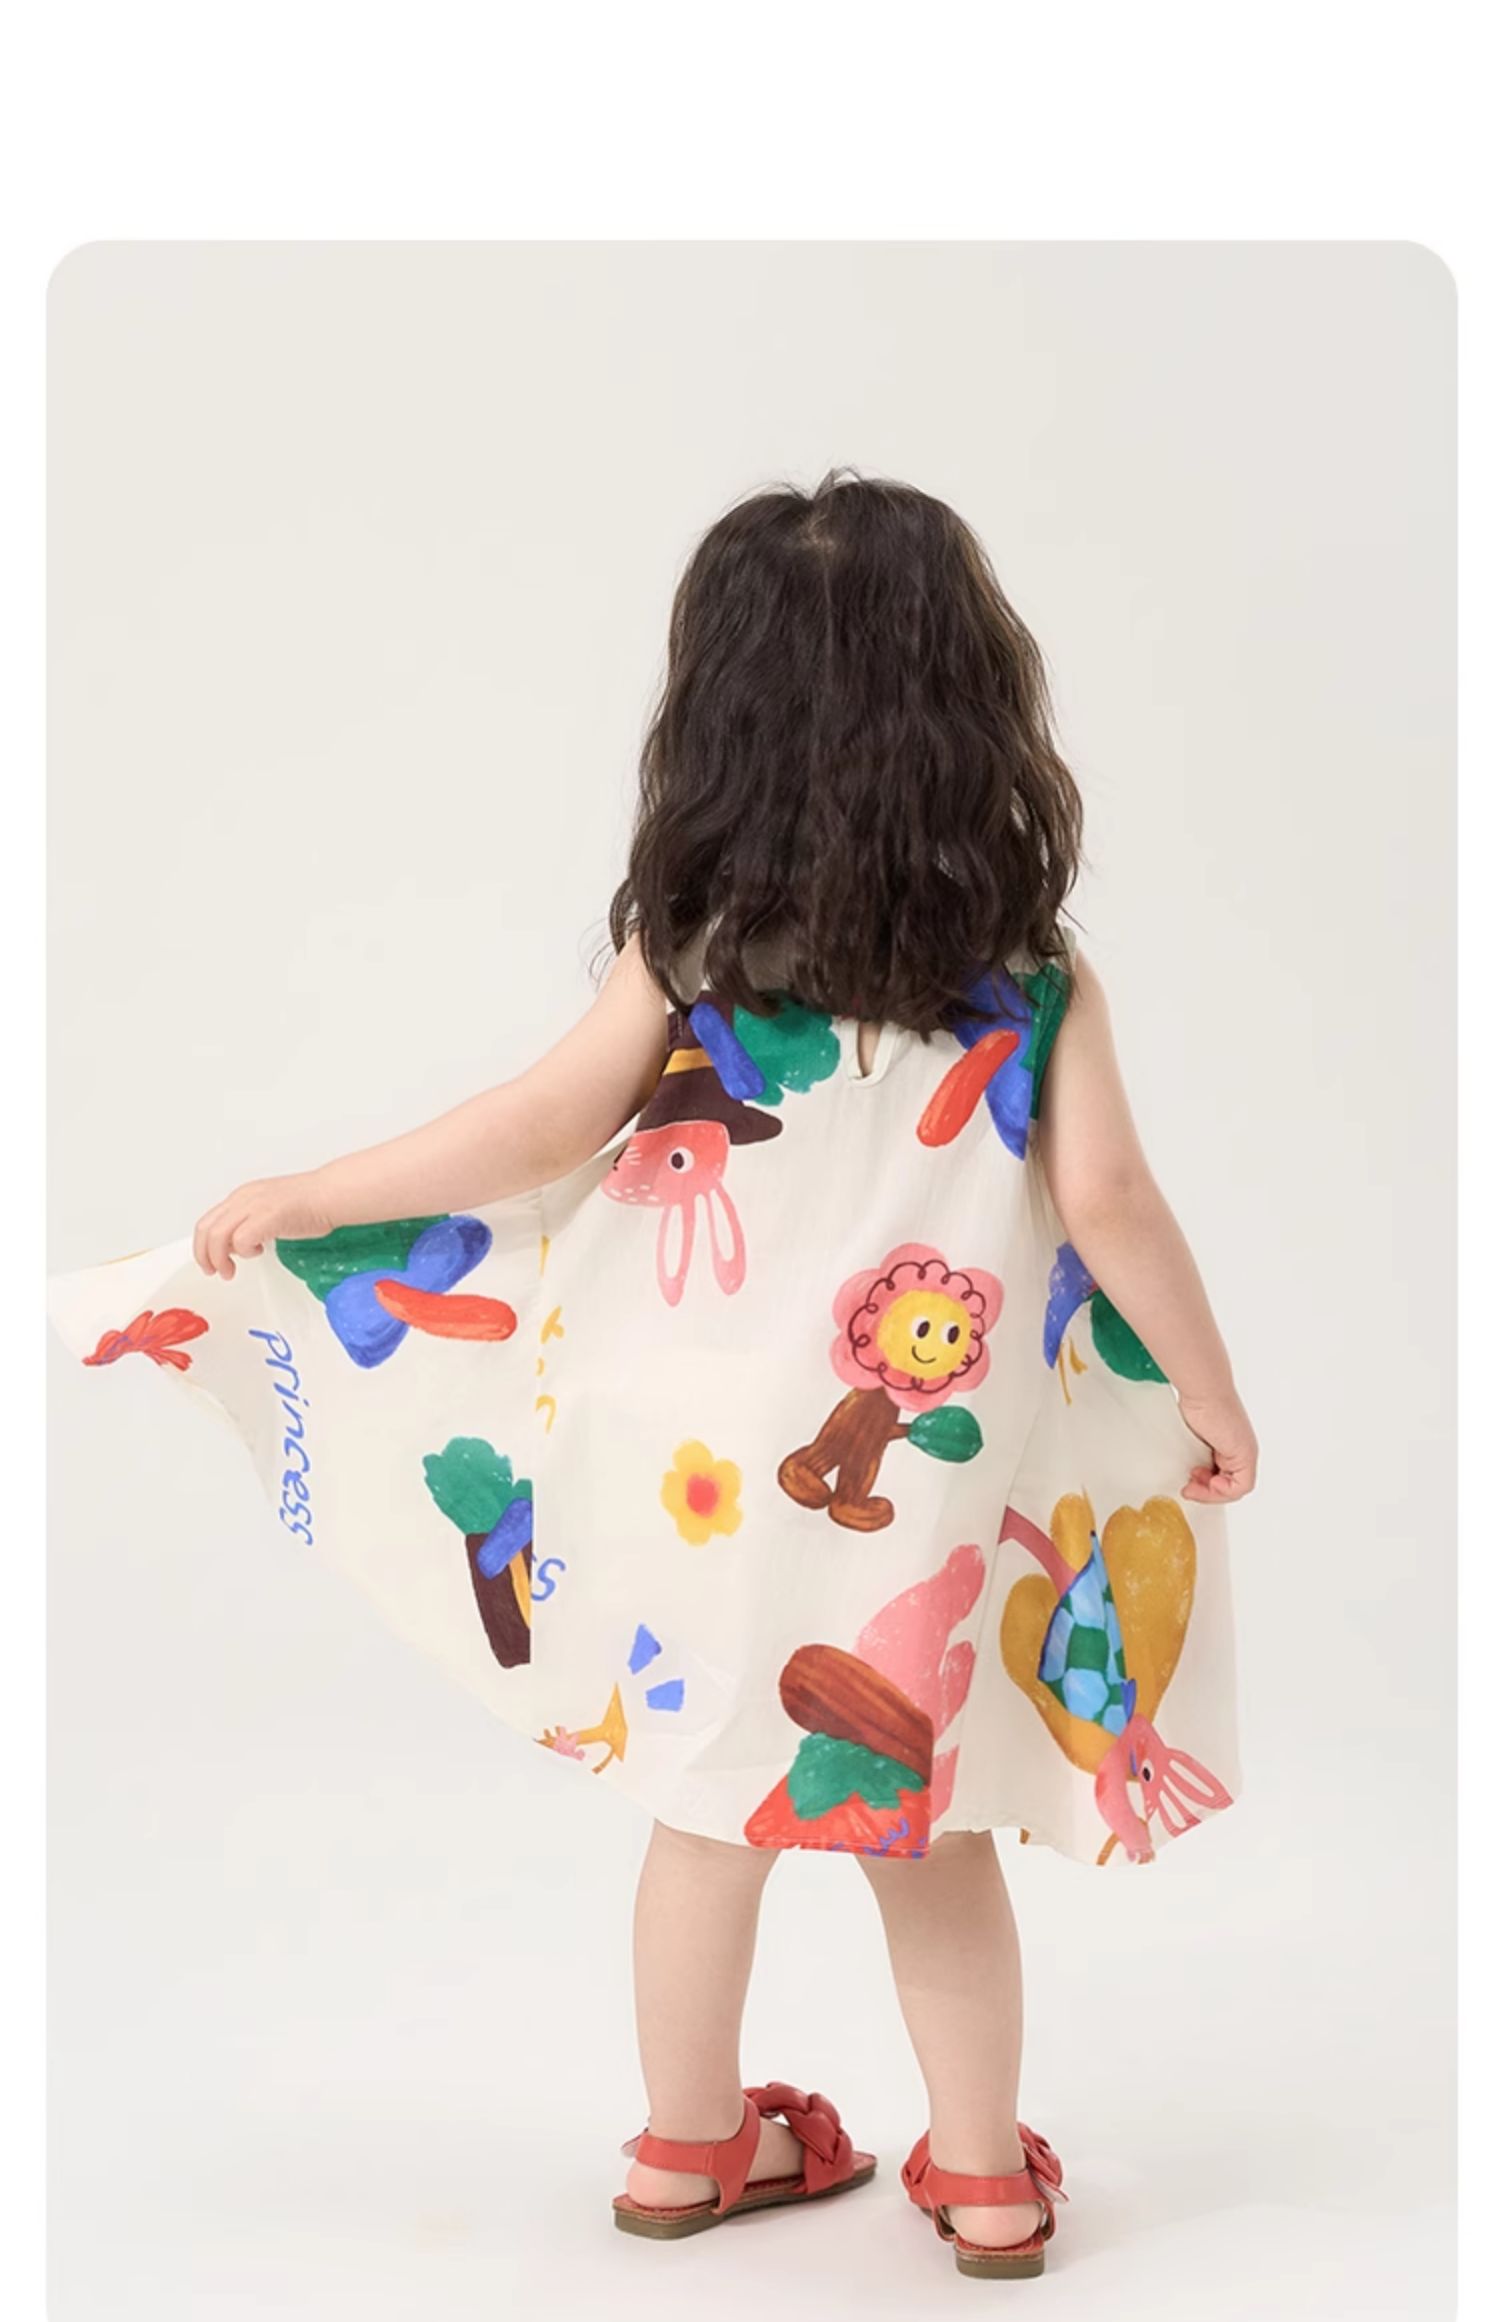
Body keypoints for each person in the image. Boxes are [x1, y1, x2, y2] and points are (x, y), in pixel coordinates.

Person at [140, 473, 1256, 2280]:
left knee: (701, 1812)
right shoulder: (1033, 979)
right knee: (922, 1831)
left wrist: (318, 1192)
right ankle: (983, 2177)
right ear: (970, 710)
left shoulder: (697, 955)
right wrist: (1211, 1392)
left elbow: (533, 1125)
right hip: (915, 1487)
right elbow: (1113, 1200)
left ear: (720, 719)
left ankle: (686, 2145)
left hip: (695, 1471)